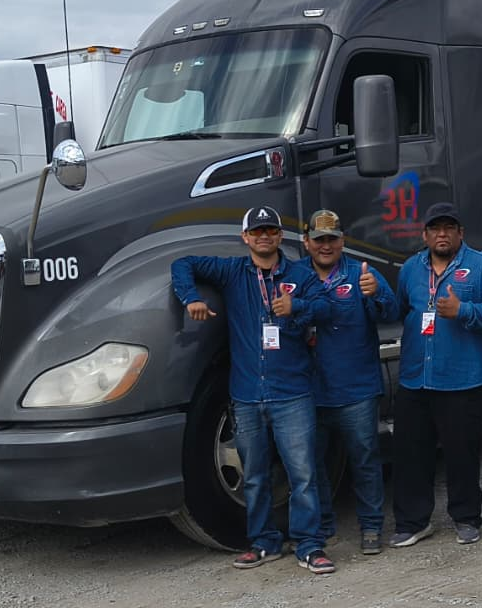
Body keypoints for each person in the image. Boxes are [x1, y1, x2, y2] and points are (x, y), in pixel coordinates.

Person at [170, 206, 337, 575]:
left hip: (292, 393)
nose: (264, 236)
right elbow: (183, 264)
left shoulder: (298, 273)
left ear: (280, 237)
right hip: (247, 395)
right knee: (256, 476)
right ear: (245, 238)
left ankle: (309, 545)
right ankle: (263, 543)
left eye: (271, 231)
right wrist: (190, 299)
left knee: (303, 473)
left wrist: (298, 305)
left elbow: (328, 307)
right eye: (257, 231)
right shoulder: (232, 272)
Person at [389, 202, 482, 547]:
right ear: (425, 234)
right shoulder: (412, 268)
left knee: (462, 454)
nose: (442, 234)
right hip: (415, 377)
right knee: (411, 454)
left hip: (462, 380)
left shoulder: (480, 266)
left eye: (449, 228)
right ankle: (413, 522)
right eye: (435, 229)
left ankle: (466, 517)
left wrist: (463, 310)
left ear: (460, 233)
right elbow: (401, 309)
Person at [300, 209, 400, 556]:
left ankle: (371, 526)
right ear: (307, 242)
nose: (325, 246)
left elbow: (392, 313)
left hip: (357, 387)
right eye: (319, 239)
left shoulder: (363, 273)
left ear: (342, 241)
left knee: (365, 461)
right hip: (310, 391)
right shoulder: (295, 274)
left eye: (332, 239)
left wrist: (375, 295)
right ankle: (324, 525)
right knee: (314, 465)